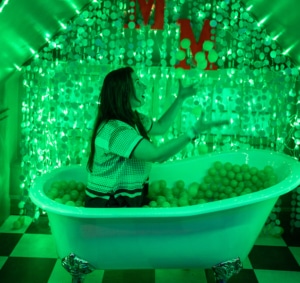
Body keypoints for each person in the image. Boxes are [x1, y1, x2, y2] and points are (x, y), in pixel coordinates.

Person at [85, 66, 229, 208]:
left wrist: (180, 99)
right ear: (123, 90)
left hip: (126, 203)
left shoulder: (134, 118)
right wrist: (193, 132)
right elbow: (157, 155)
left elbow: (160, 127)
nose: (144, 86)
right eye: (137, 82)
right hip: (107, 208)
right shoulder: (115, 130)